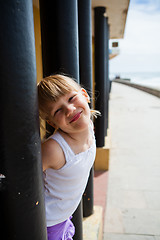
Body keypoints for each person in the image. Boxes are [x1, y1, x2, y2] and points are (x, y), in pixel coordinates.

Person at [37, 74, 100, 240]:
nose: (70, 109)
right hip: (48, 223)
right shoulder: (54, 150)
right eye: (58, 110)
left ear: (85, 95)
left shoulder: (89, 125)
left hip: (64, 215)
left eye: (72, 98)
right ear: (52, 123)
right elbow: (22, 180)